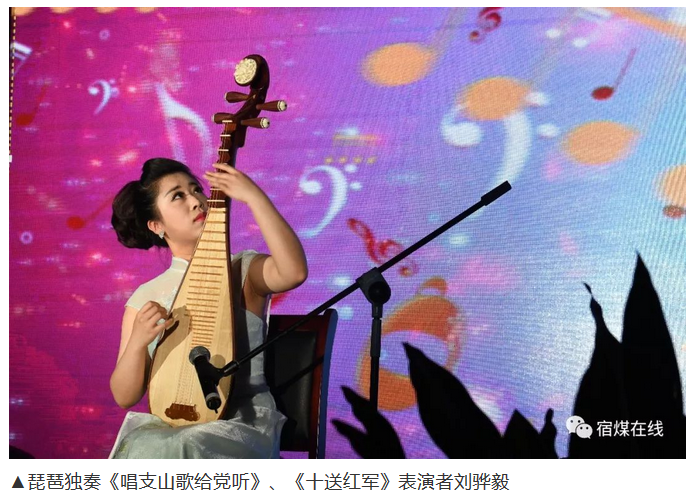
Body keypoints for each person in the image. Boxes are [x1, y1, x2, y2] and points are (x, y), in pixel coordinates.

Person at [108, 157, 307, 458]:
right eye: (178, 196)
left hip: (241, 424)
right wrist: (137, 343)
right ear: (157, 225)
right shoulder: (146, 296)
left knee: (186, 446)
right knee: (148, 449)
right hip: (171, 427)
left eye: (197, 189)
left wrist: (254, 197)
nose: (197, 201)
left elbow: (294, 272)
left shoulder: (242, 269)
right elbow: (124, 396)